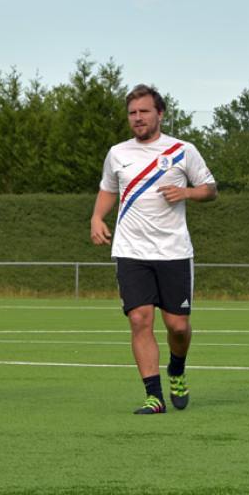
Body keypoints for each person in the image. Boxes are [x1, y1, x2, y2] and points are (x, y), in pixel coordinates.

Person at [91, 84, 218, 415]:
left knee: (177, 326)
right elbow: (108, 189)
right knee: (139, 320)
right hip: (131, 250)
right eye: (132, 113)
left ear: (160, 113)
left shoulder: (182, 150)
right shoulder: (117, 153)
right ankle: (154, 396)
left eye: (144, 111)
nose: (138, 118)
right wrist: (96, 217)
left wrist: (187, 193)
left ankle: (177, 368)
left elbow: (211, 189)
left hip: (174, 251)